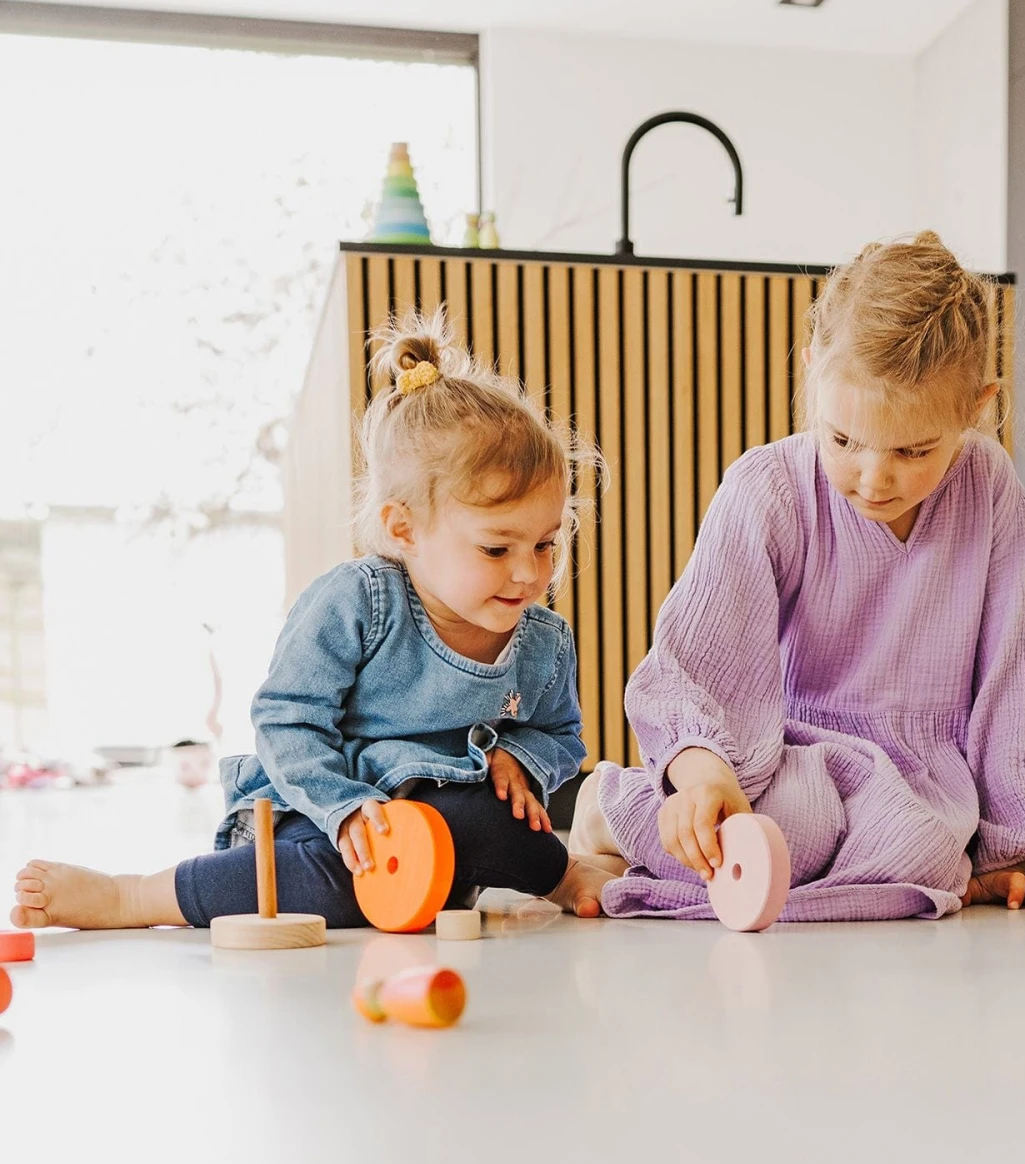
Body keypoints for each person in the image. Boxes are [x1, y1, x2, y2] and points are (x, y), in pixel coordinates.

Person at [11, 312, 615, 930]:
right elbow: (287, 720)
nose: (529, 574)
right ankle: (136, 897)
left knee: (501, 824)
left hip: (446, 829)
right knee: (325, 885)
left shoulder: (542, 640)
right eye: (497, 549)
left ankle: (559, 873)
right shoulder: (358, 603)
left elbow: (562, 735)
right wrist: (346, 808)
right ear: (405, 529)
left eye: (545, 544)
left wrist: (520, 754)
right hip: (323, 814)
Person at [566, 232, 1025, 920]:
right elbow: (695, 662)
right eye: (843, 440)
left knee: (924, 849)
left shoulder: (989, 488)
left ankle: (676, 852)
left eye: (913, 450)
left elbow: (1011, 676)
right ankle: (612, 808)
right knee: (787, 835)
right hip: (786, 760)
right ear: (814, 372)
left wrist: (1011, 852)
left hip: (920, 782)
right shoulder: (768, 488)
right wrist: (703, 772)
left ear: (976, 407)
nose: (873, 479)